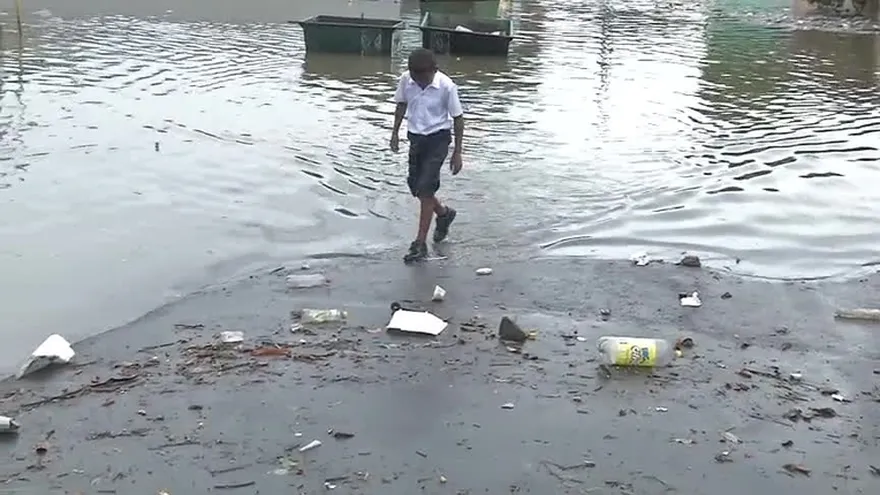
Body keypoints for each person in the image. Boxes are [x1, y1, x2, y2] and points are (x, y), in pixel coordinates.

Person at [390, 48, 464, 264]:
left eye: (424, 77)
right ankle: (443, 214)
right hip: (416, 138)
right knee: (416, 186)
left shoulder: (447, 87)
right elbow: (401, 104)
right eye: (415, 76)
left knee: (425, 188)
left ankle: (419, 244)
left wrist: (457, 153)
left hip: (438, 139)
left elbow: (458, 119)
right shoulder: (406, 80)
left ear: (434, 70)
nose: (420, 82)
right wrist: (394, 133)